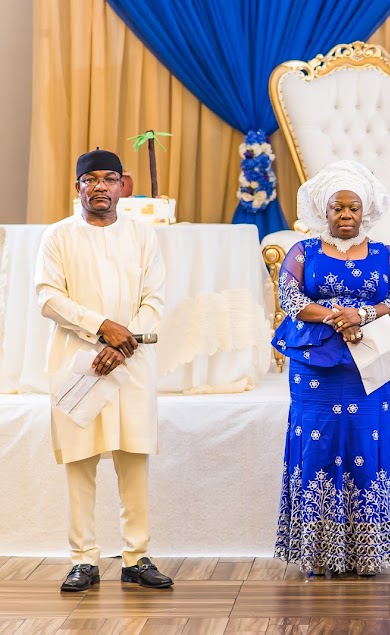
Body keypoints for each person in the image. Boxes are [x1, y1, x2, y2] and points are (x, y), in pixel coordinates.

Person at [35, 149, 173, 592]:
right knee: (80, 461)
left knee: (133, 460)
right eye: (90, 179)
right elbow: (47, 297)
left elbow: (155, 300)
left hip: (130, 363)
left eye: (109, 179)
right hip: (79, 363)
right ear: (77, 187)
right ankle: (83, 560)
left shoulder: (142, 235)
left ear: (123, 186)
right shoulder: (58, 236)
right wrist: (101, 328)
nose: (99, 187)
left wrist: (123, 342)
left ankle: (136, 557)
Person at [272, 160, 390, 576]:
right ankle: (317, 552)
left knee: (369, 441)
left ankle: (370, 552)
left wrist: (363, 314)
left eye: (353, 208)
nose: (345, 215)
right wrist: (338, 316)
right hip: (314, 366)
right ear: (324, 212)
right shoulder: (304, 251)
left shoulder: (385, 254)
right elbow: (290, 299)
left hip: (369, 364)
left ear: (364, 211)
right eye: (338, 208)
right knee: (316, 443)